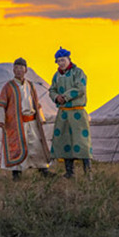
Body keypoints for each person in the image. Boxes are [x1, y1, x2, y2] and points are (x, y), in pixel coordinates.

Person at [0, 57, 53, 180]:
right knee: (17, 147)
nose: (19, 70)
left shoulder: (31, 85)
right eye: (16, 68)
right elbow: (1, 104)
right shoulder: (8, 86)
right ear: (13, 70)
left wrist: (41, 118)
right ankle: (16, 174)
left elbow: (36, 103)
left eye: (21, 68)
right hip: (16, 123)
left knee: (36, 145)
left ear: (26, 70)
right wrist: (0, 120)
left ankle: (44, 169)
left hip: (32, 121)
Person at [49, 47, 91, 178]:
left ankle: (88, 173)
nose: (61, 63)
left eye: (63, 60)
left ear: (69, 59)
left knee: (82, 142)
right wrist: (56, 97)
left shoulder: (78, 72)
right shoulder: (57, 76)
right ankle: (69, 172)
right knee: (65, 141)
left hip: (77, 112)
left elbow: (80, 88)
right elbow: (52, 90)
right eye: (58, 61)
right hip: (63, 113)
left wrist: (65, 97)